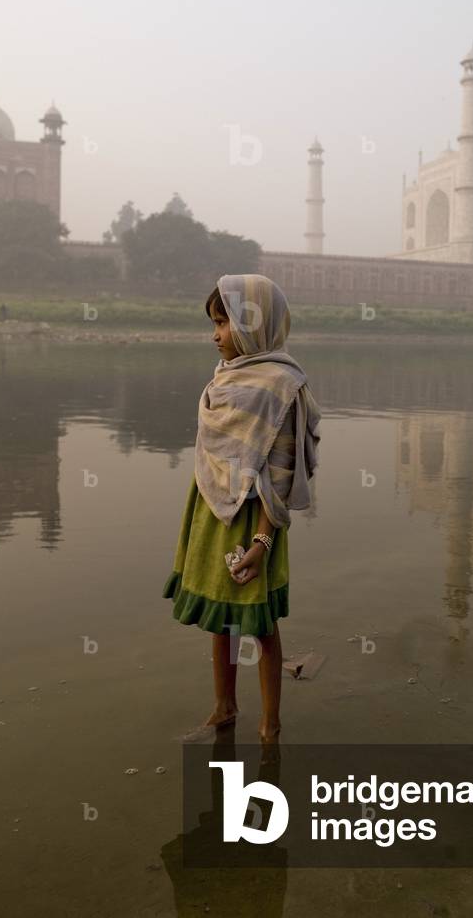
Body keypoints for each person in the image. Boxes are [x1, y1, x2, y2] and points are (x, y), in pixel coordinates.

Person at [162, 274, 322, 742]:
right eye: (213, 322)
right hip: (212, 507)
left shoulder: (281, 385)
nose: (215, 334)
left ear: (254, 323)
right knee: (220, 615)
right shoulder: (226, 376)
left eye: (224, 322)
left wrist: (263, 540)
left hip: (256, 516)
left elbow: (284, 472)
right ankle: (224, 706)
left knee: (260, 623)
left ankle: (271, 724)